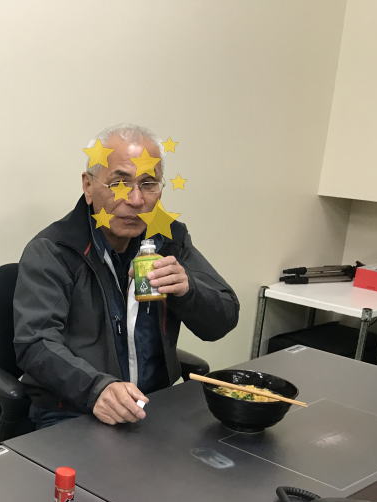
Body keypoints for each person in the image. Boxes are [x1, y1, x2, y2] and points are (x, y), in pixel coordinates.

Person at [14, 123, 239, 428]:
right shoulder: (55, 250)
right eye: (119, 183)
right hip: (74, 408)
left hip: (152, 405)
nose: (135, 200)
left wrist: (188, 291)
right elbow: (35, 343)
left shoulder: (169, 239)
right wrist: (97, 390)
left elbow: (223, 320)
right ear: (88, 186)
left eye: (148, 184)